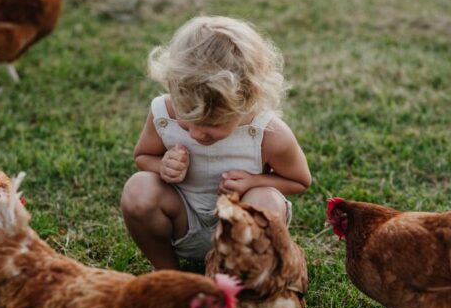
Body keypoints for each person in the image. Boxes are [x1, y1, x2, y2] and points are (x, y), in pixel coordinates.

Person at [122, 16, 311, 269]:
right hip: (184, 220)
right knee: (138, 188)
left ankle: (239, 277)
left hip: (244, 230)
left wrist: (255, 182)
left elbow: (300, 181)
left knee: (266, 200)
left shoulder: (268, 132)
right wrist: (163, 166)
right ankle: (168, 272)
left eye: (213, 125)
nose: (197, 134)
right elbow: (143, 156)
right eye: (187, 120)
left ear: (248, 100)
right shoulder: (163, 114)